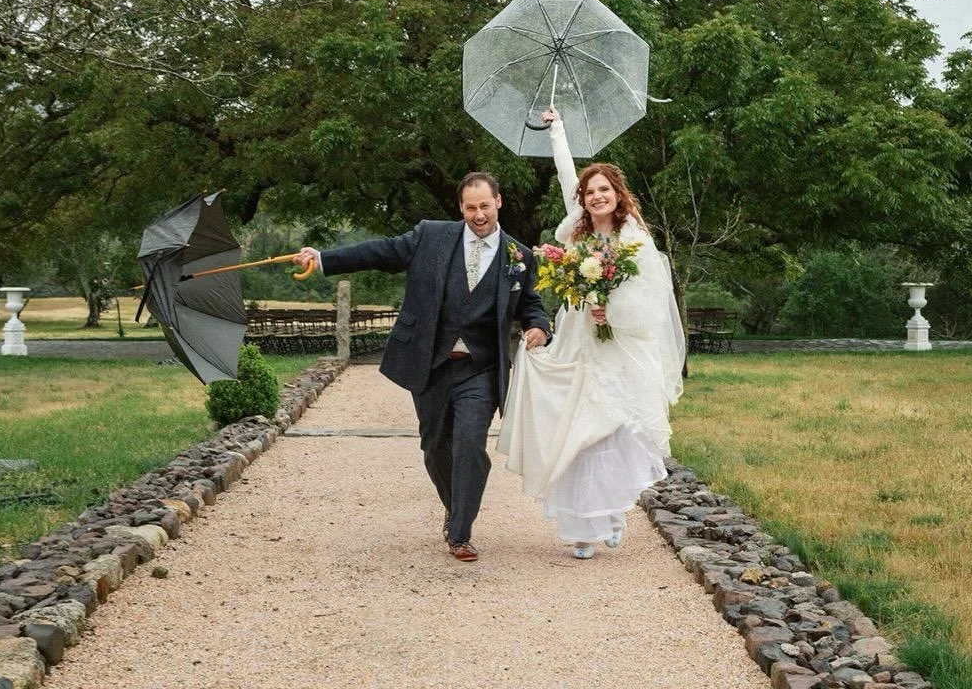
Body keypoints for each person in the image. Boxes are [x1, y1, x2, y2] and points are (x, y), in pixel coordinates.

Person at [294, 172, 551, 562]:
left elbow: (529, 302)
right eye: (470, 207)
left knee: (469, 443)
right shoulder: (431, 236)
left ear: (498, 202)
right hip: (430, 362)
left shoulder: (520, 257)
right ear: (460, 207)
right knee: (434, 446)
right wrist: (325, 257)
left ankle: (461, 531)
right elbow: (381, 252)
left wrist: (539, 325)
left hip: (480, 369)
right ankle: (452, 504)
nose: (478, 215)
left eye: (484, 206)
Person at [497, 106, 685, 558]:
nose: (595, 196)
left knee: (612, 431)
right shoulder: (578, 229)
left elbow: (651, 296)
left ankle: (612, 511)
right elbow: (566, 176)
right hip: (578, 338)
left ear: (618, 194)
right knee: (576, 431)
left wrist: (611, 313)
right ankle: (583, 528)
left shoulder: (634, 237)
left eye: (603, 190)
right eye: (589, 191)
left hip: (616, 345)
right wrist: (556, 129)